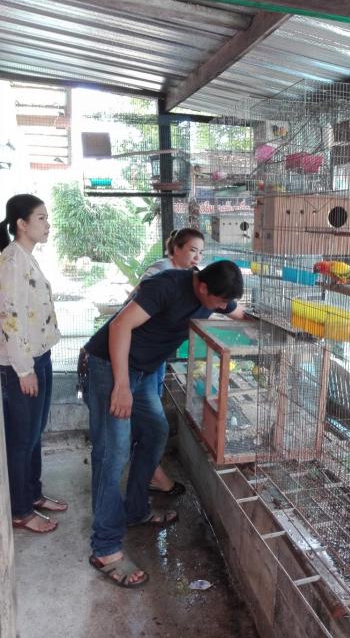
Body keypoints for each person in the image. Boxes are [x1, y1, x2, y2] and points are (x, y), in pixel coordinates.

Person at [83, 260, 245, 587]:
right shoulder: (167, 286)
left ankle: (135, 511)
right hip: (109, 367)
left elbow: (239, 313)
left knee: (156, 432)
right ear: (202, 287)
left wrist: (285, 330)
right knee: (112, 454)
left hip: (143, 371)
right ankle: (105, 548)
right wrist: (121, 386)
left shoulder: (216, 292)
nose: (221, 309)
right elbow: (119, 327)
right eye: (217, 302)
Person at [0, 194, 67, 534]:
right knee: (21, 439)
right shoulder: (12, 261)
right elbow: (9, 318)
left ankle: (34, 493)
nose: (47, 224)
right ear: (21, 224)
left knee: (34, 432)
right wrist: (24, 369)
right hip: (20, 366)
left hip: (40, 356)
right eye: (41, 218)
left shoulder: (26, 257)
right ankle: (20, 511)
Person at [139, 228, 204, 496]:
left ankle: (150, 472)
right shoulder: (161, 273)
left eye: (200, 252)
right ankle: (152, 475)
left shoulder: (185, 275)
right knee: (151, 422)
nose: (197, 257)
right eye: (192, 250)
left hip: (155, 355)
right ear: (175, 249)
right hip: (141, 355)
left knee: (152, 417)